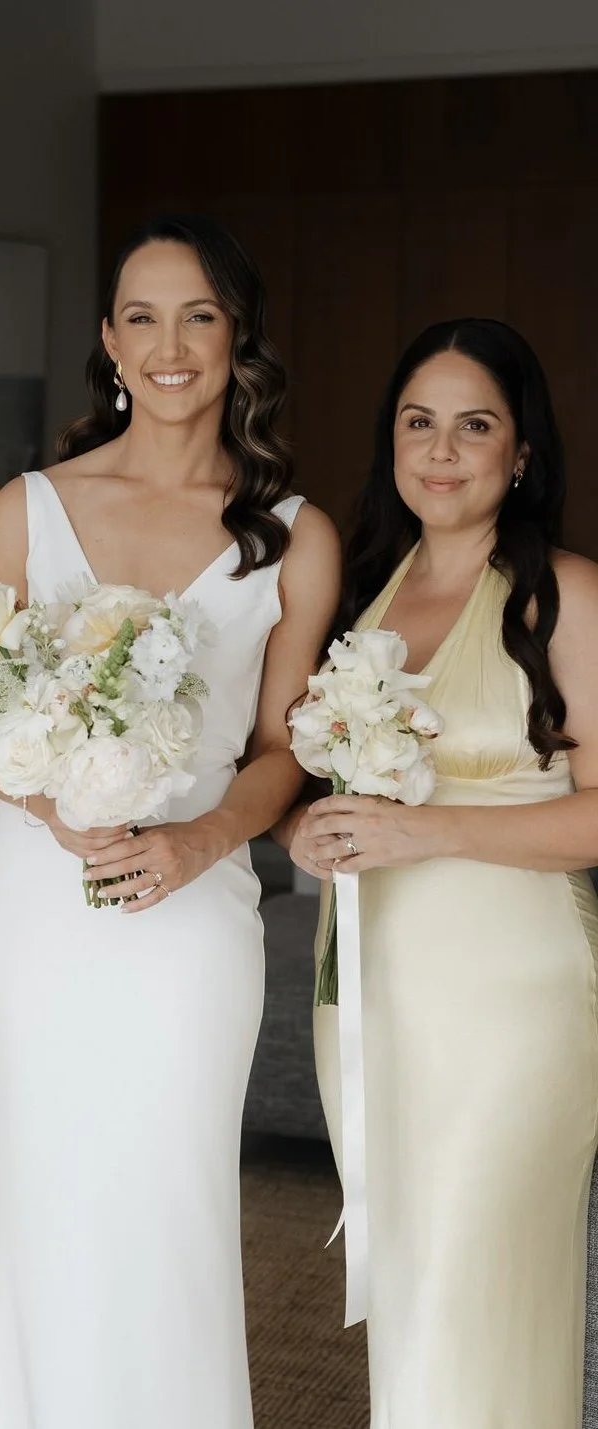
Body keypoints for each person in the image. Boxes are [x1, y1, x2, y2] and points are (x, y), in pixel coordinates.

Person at [0, 214, 340, 1429]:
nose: (171, 346)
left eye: (200, 316)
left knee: (166, 1196)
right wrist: (55, 813)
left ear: (237, 340)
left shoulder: (294, 533)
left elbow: (285, 751)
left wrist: (200, 839)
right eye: (144, 316)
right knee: (43, 1184)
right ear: (109, 340)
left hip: (192, 910)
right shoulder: (30, 506)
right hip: (39, 902)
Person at [282, 318, 598, 1428]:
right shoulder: (362, 585)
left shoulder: (565, 595)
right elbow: (309, 782)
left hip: (510, 996)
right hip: (370, 990)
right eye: (420, 422)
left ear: (520, 453)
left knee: (476, 1273)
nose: (442, 450)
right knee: (412, 1277)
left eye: (475, 426)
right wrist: (302, 835)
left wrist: (435, 834)